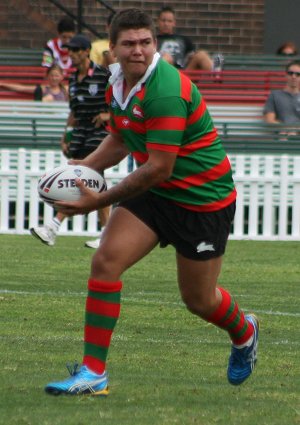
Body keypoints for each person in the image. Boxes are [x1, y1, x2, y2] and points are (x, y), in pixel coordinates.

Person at [44, 9, 259, 396]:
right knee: (105, 262)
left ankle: (244, 333)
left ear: (154, 45)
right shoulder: (116, 84)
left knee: (199, 300)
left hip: (201, 200)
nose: (138, 50)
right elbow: (123, 137)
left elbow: (159, 166)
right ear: (113, 49)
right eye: (129, 43)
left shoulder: (165, 90)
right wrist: (78, 174)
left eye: (146, 42)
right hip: (157, 193)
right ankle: (94, 372)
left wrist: (98, 201)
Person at [31, 34, 111, 249]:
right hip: (80, 134)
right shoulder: (73, 80)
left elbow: (121, 101)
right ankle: (106, 235)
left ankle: (53, 226)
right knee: (93, 183)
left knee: (89, 178)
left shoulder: (104, 75)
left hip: (99, 135)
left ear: (86, 51)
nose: (72, 55)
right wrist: (65, 135)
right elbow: (73, 112)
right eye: (70, 51)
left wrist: (108, 116)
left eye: (76, 51)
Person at [156, 6, 213, 71]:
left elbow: (192, 55)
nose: (166, 24)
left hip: (184, 73)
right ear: (158, 22)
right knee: (166, 58)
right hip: (165, 72)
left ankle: (216, 75)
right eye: (163, 20)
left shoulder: (183, 40)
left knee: (201, 54)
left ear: (174, 23)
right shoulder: (153, 40)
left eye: (169, 21)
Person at [0, 65, 68, 102]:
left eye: (56, 76)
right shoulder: (43, 89)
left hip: (63, 116)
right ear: (47, 76)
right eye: (52, 75)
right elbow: (22, 88)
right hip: (48, 115)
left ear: (62, 77)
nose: (54, 78)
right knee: (48, 98)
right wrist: (2, 84)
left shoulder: (66, 89)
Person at [263, 60, 300, 124]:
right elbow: (270, 120)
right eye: (290, 73)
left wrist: (295, 130)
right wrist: (284, 128)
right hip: (281, 132)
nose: (293, 76)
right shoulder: (274, 95)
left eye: (298, 74)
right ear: (286, 75)